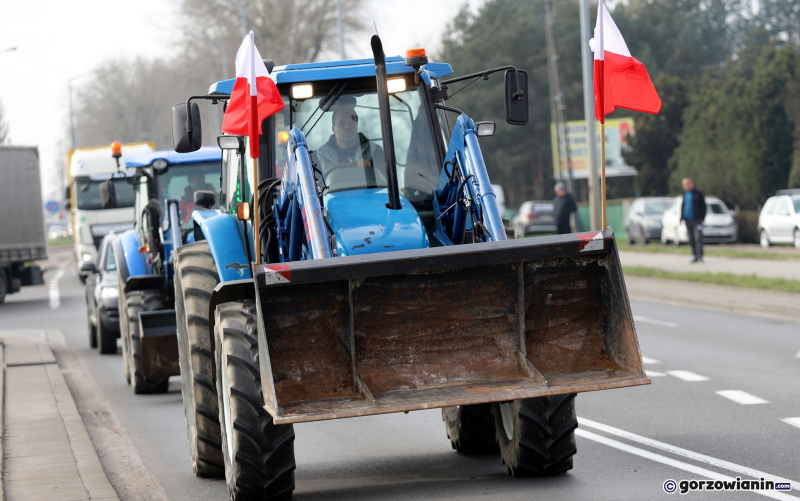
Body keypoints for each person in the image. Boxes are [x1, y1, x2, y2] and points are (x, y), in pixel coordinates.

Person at [315, 95, 384, 177]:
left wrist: (370, 168)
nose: (347, 126)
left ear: (357, 126)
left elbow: (385, 180)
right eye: (341, 123)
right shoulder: (319, 156)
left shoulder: (375, 151)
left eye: (352, 123)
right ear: (333, 129)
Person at [680, 177, 706, 263]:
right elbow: (683, 206)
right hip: (688, 220)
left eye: (688, 184)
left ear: (692, 183)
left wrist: (702, 217)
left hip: (697, 220)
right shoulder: (684, 194)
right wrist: (681, 217)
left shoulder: (698, 193)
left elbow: (703, 206)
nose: (687, 186)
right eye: (685, 184)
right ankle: (695, 256)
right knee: (691, 239)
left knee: (698, 238)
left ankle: (700, 256)